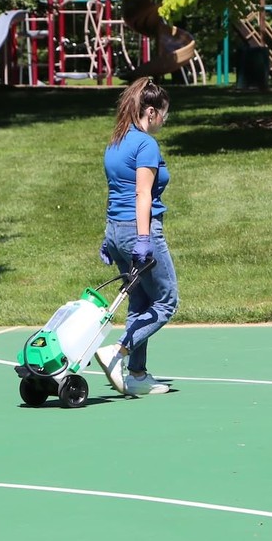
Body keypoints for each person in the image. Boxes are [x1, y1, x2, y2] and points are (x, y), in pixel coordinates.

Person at [94, 76, 178, 396]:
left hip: (116, 230)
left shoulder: (116, 142)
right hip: (139, 231)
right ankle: (119, 351)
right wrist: (144, 240)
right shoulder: (145, 144)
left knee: (141, 301)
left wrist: (108, 237)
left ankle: (138, 375)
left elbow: (115, 191)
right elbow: (142, 193)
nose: (164, 120)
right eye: (164, 114)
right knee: (166, 302)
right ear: (152, 112)